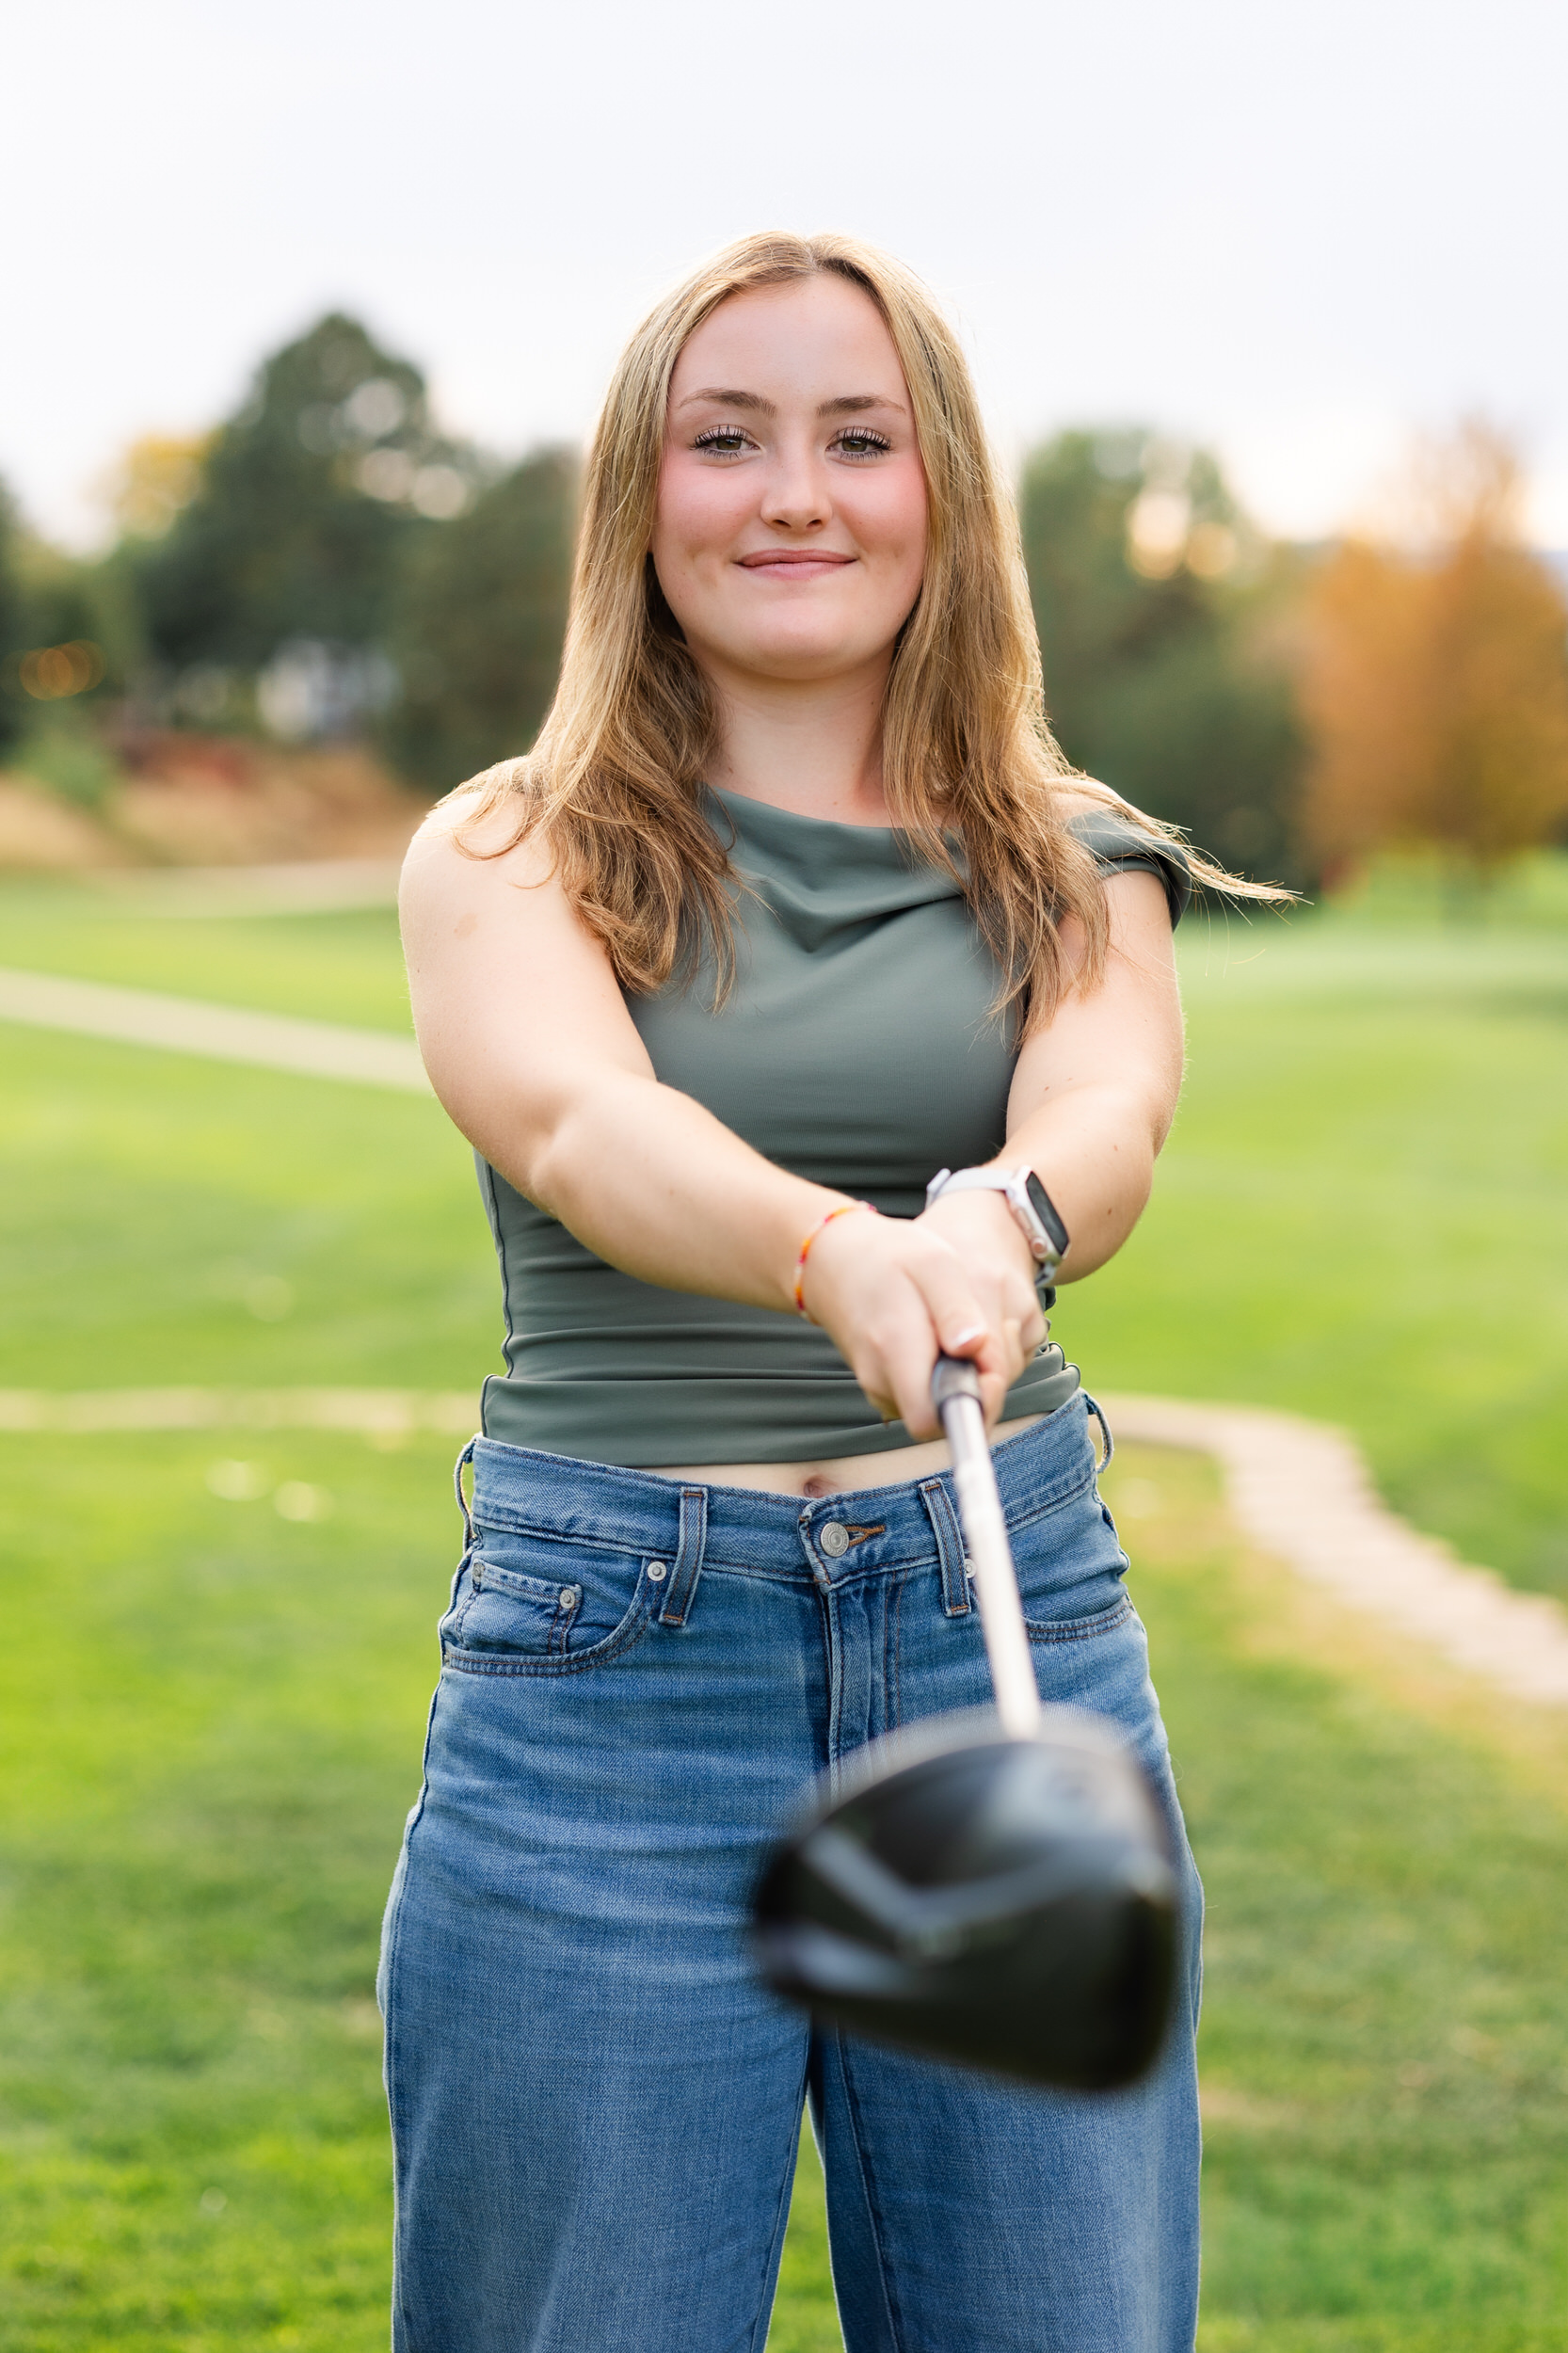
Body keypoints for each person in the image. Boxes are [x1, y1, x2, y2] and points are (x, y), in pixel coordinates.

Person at [382, 230, 1276, 2353]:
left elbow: (1105, 1099)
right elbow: (587, 1131)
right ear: (638, 496)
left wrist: (1003, 1224)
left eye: (855, 439)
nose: (794, 491)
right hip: (612, 1671)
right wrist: (830, 1245)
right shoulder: (508, 848)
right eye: (727, 438)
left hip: (998, 1629)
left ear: (941, 494)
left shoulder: (1079, 854)